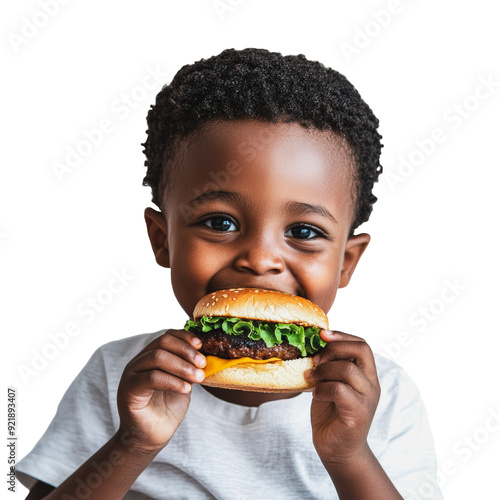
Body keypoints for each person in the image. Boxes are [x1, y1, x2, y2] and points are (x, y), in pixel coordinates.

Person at [17, 48, 443, 500]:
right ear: (162, 239)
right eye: (220, 222)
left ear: (347, 262)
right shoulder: (119, 374)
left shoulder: (385, 396)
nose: (260, 259)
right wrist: (134, 442)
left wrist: (349, 455)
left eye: (303, 231)